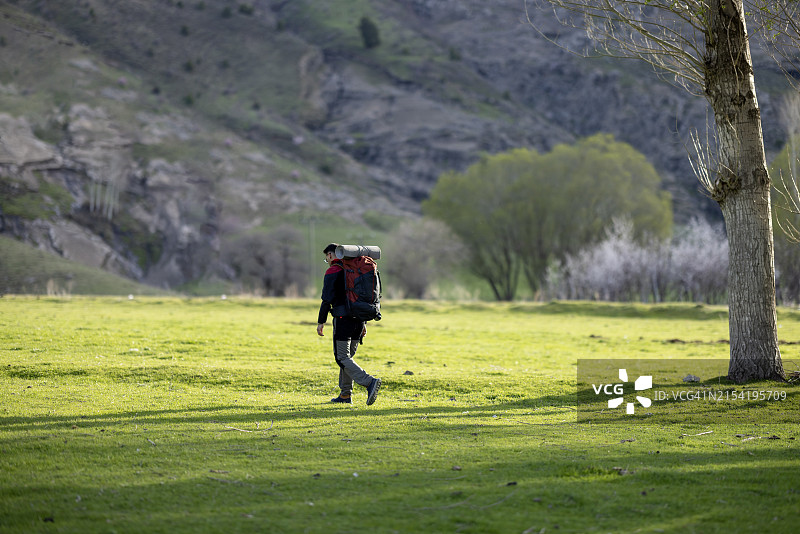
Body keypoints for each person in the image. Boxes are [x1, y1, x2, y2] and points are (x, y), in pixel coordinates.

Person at [316, 243, 382, 405]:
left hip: (342, 319)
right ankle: (345, 395)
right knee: (348, 358)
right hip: (359, 319)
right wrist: (364, 323)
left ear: (331, 255)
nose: (328, 261)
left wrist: (321, 321)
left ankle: (369, 382)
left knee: (342, 358)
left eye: (327, 258)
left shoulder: (334, 270)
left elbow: (327, 299)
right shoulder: (354, 269)